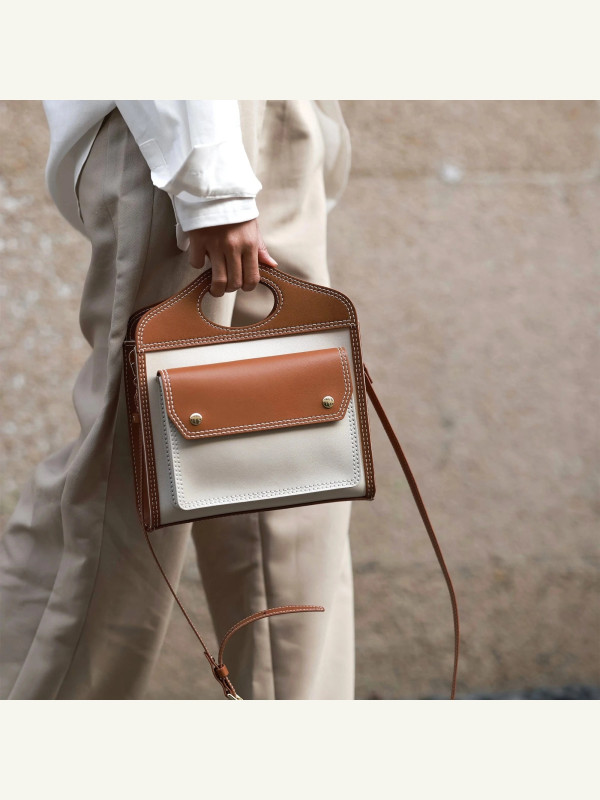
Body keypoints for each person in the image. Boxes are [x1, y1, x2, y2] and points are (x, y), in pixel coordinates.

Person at [0, 100, 355, 700]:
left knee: (296, 475)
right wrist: (211, 188)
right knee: (125, 484)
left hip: (273, 113)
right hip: (185, 123)